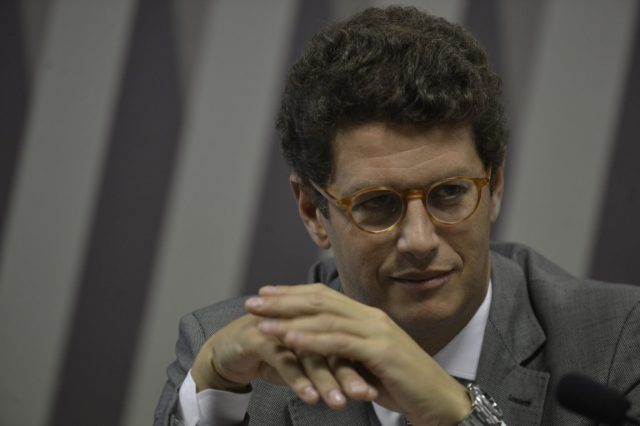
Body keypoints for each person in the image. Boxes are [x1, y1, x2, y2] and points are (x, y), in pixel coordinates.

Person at [155, 6, 640, 425]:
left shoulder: (618, 342)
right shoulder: (231, 361)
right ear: (313, 212)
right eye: (377, 203)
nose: (419, 240)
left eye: (449, 193)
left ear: (494, 187)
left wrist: (455, 412)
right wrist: (215, 402)